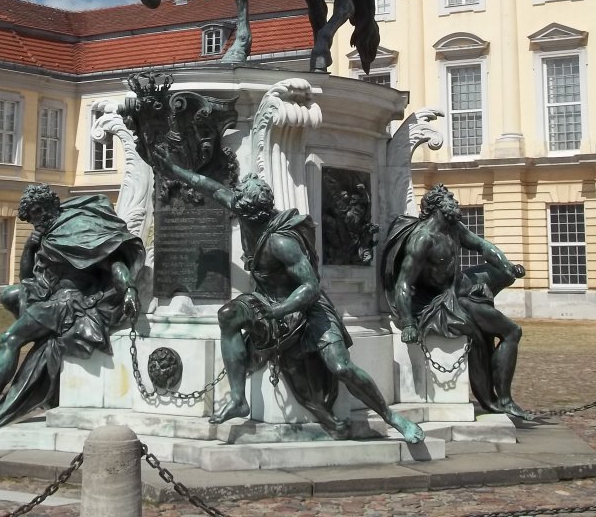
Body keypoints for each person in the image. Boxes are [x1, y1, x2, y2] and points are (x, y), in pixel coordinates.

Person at [153, 143, 424, 443]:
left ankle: (391, 417)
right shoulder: (244, 208)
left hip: (306, 305)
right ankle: (239, 399)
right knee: (227, 315)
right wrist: (174, 171)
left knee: (341, 366)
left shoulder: (282, 242)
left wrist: (279, 311)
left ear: (259, 212)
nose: (239, 216)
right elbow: (212, 188)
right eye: (237, 209)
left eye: (244, 213)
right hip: (267, 299)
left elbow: (310, 286)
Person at [0, 184, 145, 437]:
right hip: (49, 298)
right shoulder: (48, 233)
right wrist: (28, 248)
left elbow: (114, 264)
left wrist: (130, 289)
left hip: (68, 303)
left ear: (49, 206)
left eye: (36, 213)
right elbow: (28, 280)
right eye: (30, 216)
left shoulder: (77, 229)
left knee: (10, 339)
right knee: (10, 295)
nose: (35, 221)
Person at [382, 183, 529, 420]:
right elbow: (403, 284)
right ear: (438, 206)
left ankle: (482, 294)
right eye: (451, 200)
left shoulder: (453, 228)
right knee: (511, 331)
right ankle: (502, 400)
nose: (456, 203)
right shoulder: (423, 239)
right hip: (446, 298)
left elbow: (482, 245)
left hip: (461, 286)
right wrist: (408, 323)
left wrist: (507, 265)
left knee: (505, 274)